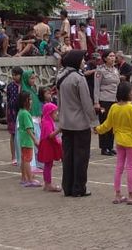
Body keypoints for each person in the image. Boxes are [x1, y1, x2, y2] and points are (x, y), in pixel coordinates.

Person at [58, 50, 98, 197]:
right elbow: (86, 103)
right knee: (81, 158)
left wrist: (60, 119)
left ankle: (67, 187)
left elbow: (59, 102)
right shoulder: (79, 78)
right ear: (75, 61)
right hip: (80, 124)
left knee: (68, 157)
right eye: (82, 59)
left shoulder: (61, 76)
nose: (84, 62)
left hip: (66, 123)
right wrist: (94, 122)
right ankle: (79, 188)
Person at [94, 50, 120, 156]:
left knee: (113, 123)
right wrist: (96, 102)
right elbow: (96, 87)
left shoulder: (115, 70)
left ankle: (110, 145)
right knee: (104, 122)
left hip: (114, 100)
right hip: (104, 99)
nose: (113, 58)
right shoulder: (100, 71)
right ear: (105, 58)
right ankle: (104, 147)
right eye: (110, 56)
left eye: (114, 56)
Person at [20, 69, 43, 170]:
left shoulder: (32, 90)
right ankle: (32, 166)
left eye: (34, 78)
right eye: (31, 78)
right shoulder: (25, 92)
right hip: (31, 120)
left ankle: (39, 162)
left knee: (38, 140)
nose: (33, 80)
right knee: (33, 142)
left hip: (36, 119)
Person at [17, 91, 41, 187]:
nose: (31, 101)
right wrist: (35, 139)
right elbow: (29, 129)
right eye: (29, 99)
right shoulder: (26, 113)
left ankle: (24, 178)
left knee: (24, 159)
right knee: (27, 159)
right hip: (27, 140)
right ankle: (30, 179)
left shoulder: (21, 112)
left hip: (23, 140)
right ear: (24, 102)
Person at [38, 101, 62, 192]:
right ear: (49, 113)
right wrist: (59, 130)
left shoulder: (47, 121)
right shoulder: (47, 122)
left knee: (49, 164)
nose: (56, 114)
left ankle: (47, 183)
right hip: (47, 145)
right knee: (48, 164)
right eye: (55, 112)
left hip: (47, 144)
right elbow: (50, 135)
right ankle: (48, 184)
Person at [6, 66, 23, 166]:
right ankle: (14, 156)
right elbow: (8, 100)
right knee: (13, 134)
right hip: (12, 113)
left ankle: (22, 154)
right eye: (12, 74)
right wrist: (7, 112)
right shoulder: (10, 86)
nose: (13, 76)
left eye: (15, 75)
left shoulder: (24, 85)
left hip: (21, 112)